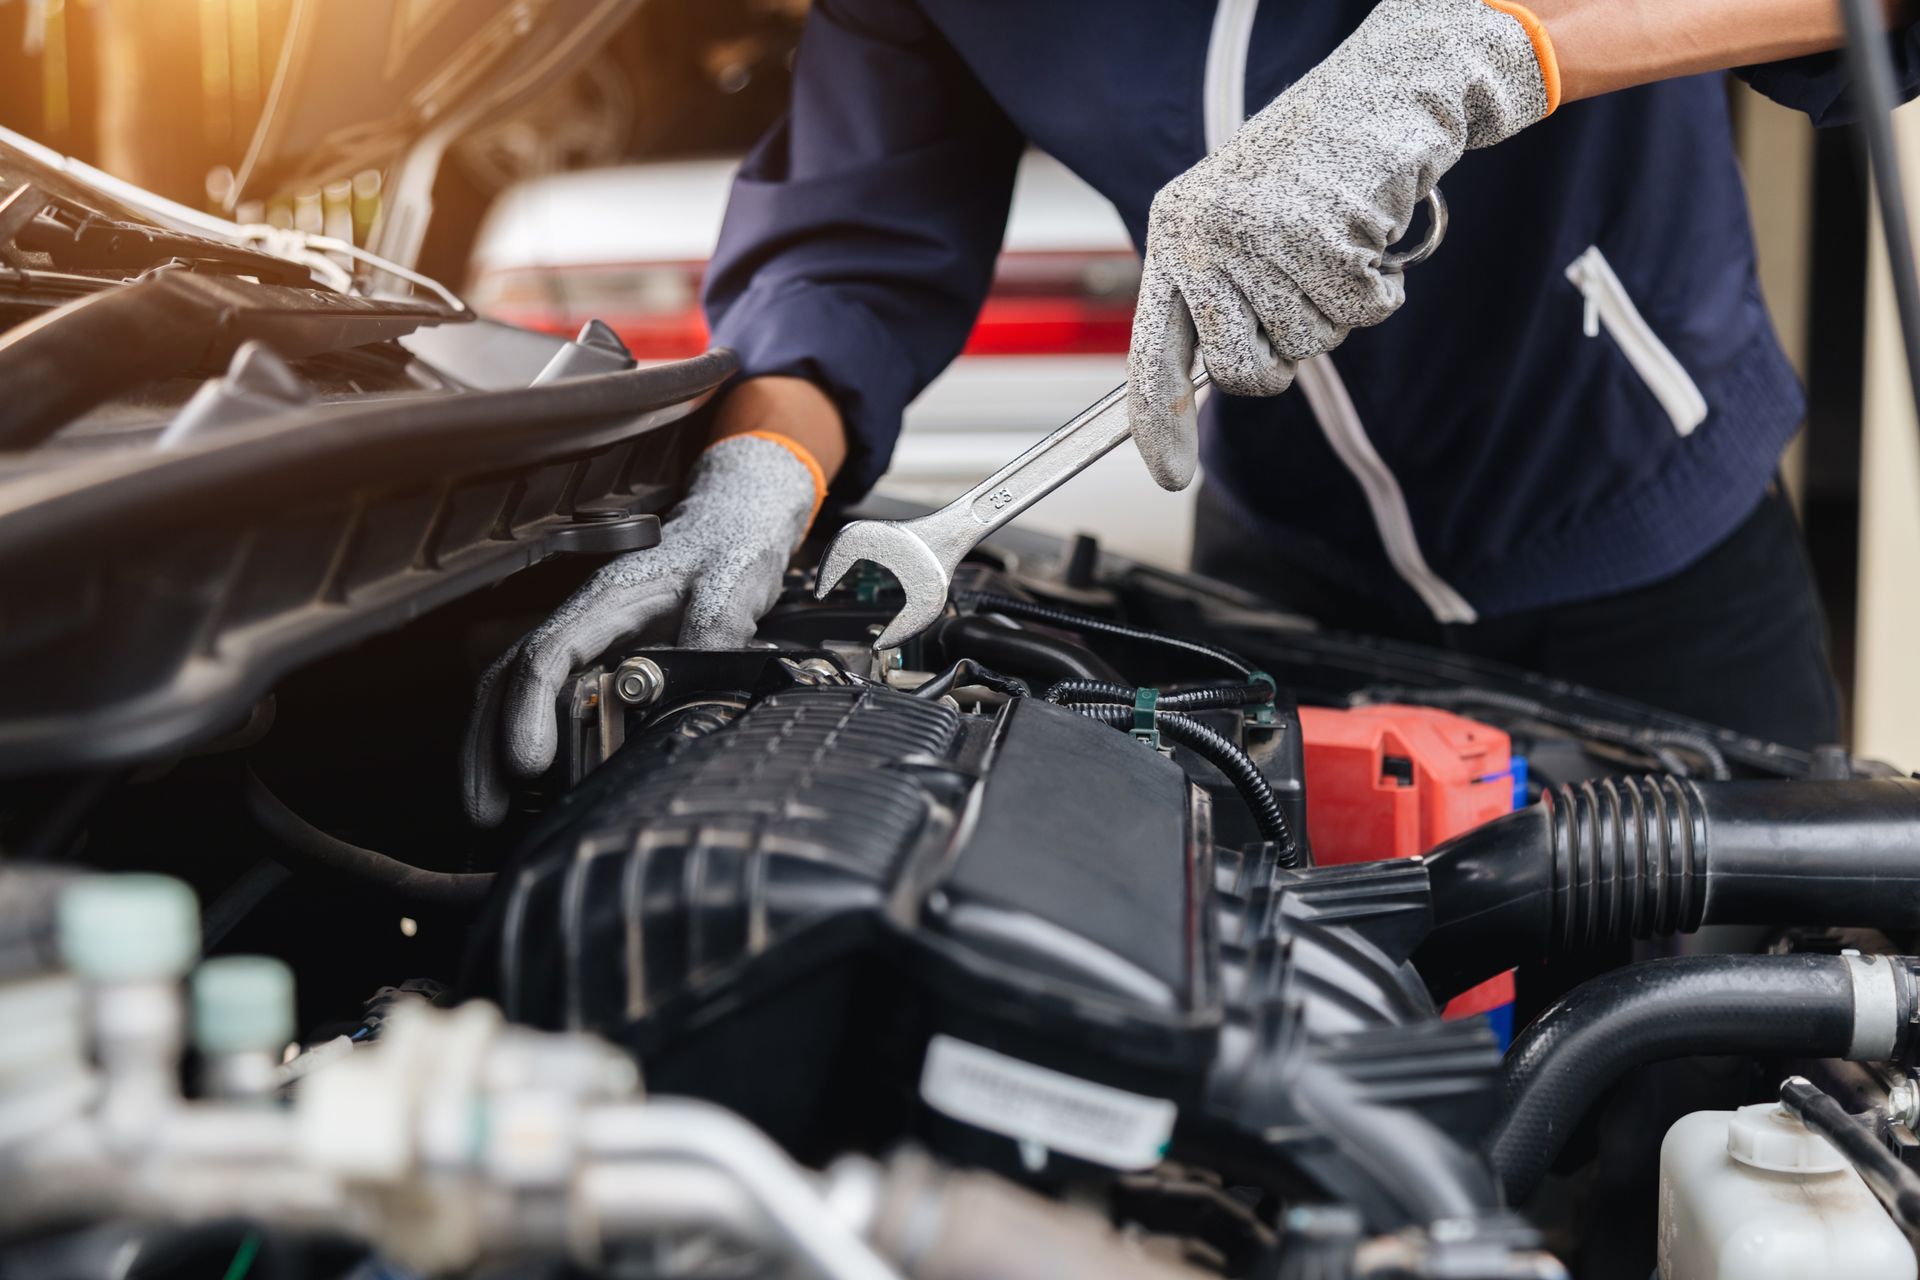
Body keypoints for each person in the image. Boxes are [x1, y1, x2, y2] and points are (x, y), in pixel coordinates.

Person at [463, 0, 1920, 824]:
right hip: (1285, 576)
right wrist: (760, 470)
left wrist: (1493, 41)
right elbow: (855, 235)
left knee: (1729, 1095)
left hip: (1656, 549)